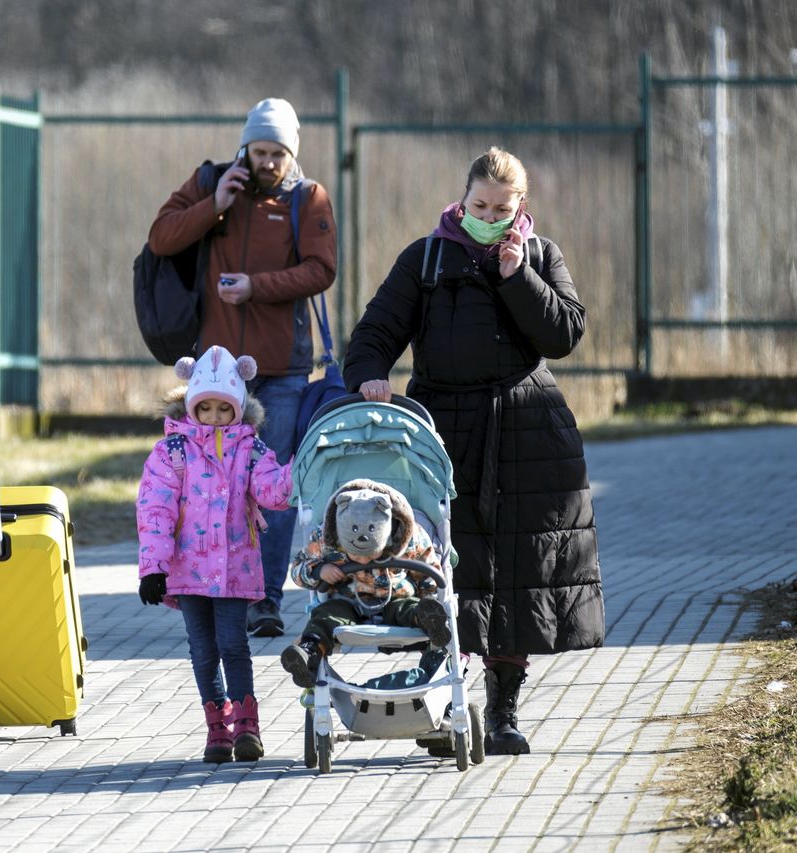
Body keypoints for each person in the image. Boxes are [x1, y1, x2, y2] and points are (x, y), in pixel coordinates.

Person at [342, 147, 604, 756]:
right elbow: (376, 330)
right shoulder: (426, 257)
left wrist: (519, 277)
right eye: (479, 205)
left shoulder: (541, 255)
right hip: (443, 430)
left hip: (527, 430)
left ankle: (504, 711)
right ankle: (445, 702)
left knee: (515, 576)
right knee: (447, 570)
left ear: (521, 208)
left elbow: (563, 334)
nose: (488, 216)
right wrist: (370, 375)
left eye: (501, 208)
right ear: (463, 200)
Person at [147, 97, 338, 638]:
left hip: (283, 367)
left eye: (279, 152)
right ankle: (212, 586)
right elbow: (161, 237)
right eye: (260, 150)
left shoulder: (308, 198)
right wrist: (213, 204)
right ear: (245, 147)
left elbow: (322, 269)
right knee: (213, 485)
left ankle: (266, 598)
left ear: (291, 154)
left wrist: (258, 287)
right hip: (220, 372)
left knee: (267, 480)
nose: (269, 162)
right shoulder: (212, 180)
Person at [135, 346, 294, 763]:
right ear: (191, 407)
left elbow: (271, 492)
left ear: (237, 408)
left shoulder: (251, 450)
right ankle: (217, 726)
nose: (214, 416)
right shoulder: (172, 452)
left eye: (223, 408)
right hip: (187, 569)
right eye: (204, 407)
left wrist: (299, 472)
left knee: (233, 644)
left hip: (234, 568)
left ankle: (246, 724)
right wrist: (153, 567)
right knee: (202, 649)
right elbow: (156, 509)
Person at [279, 479, 450, 688]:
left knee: (408, 607)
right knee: (326, 615)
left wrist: (430, 595)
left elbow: (428, 567)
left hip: (395, 595)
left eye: (371, 555)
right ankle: (308, 651)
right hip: (347, 600)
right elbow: (298, 566)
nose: (362, 561)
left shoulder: (408, 536)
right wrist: (318, 570)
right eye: (355, 556)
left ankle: (428, 619)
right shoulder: (327, 538)